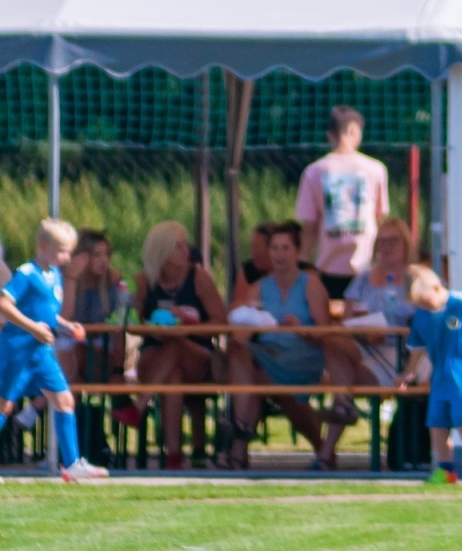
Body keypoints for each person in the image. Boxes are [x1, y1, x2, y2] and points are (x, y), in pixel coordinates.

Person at [224, 224, 366, 470]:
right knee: (239, 354)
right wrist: (252, 324)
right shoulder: (258, 287)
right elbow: (242, 327)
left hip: (303, 357)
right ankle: (244, 433)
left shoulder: (310, 285)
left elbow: (325, 335)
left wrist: (300, 328)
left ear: (297, 252)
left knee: (258, 379)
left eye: (285, 248)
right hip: (267, 354)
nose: (279, 254)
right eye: (275, 248)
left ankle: (240, 440)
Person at [0, 219, 108, 481]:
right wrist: (33, 328)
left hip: (41, 351)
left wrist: (64, 325)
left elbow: (45, 313)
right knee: (4, 406)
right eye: (61, 251)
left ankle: (71, 464)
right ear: (43, 246)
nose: (66, 257)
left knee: (64, 400)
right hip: (18, 350)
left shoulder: (54, 275)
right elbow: (4, 304)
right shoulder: (27, 274)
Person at [395, 266, 462, 486]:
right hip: (441, 376)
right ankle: (446, 469)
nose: (423, 307)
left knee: (461, 414)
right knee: (436, 420)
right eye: (418, 304)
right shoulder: (421, 317)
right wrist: (407, 374)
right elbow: (417, 348)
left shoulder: (460, 302)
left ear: (437, 288)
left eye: (425, 301)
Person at [131, 221, 228, 470]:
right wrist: (152, 329)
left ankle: (140, 406)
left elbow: (220, 322)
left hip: (196, 355)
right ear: (162, 250)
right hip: (155, 355)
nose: (186, 250)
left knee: (176, 344)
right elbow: (132, 323)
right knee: (172, 376)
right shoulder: (144, 281)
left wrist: (186, 330)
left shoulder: (198, 278)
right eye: (178, 246)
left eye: (185, 244)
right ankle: (174, 455)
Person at [295, 105, 390, 300]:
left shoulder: (314, 171)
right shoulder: (376, 169)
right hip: (367, 265)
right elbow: (380, 217)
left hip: (327, 267)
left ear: (330, 135)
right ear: (354, 131)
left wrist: (304, 265)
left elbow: (309, 227)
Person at [60, 229, 127, 387]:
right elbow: (65, 318)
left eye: (106, 255)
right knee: (72, 366)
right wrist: (71, 279)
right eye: (97, 255)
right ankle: (75, 411)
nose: (104, 260)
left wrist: (119, 369)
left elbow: (120, 323)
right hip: (69, 349)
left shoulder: (112, 282)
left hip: (101, 350)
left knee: (78, 354)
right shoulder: (64, 278)